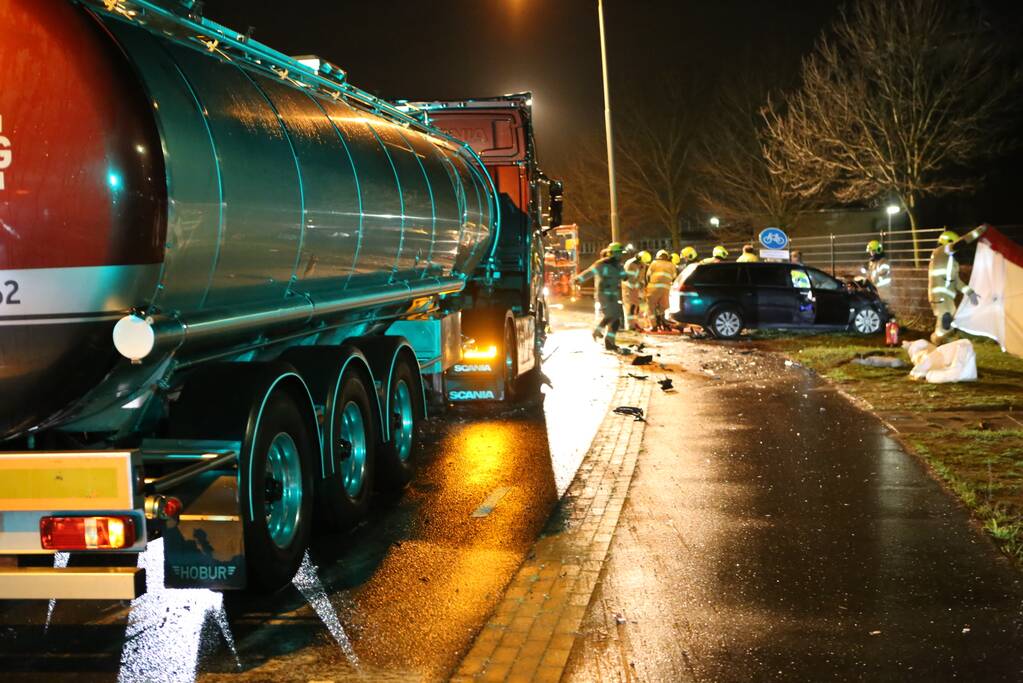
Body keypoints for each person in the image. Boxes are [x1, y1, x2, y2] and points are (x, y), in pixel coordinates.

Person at [928, 227, 985, 345]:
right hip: (939, 295)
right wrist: (980, 230)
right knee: (945, 318)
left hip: (948, 297)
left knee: (949, 322)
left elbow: (957, 282)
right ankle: (939, 342)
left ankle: (940, 341)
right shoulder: (940, 251)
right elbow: (962, 242)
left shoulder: (952, 262)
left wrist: (970, 292)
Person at [576, 242, 628, 351]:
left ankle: (609, 342)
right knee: (611, 315)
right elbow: (589, 272)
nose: (621, 255)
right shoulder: (601, 264)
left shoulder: (618, 266)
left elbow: (625, 277)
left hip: (613, 294)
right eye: (619, 253)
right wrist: (578, 280)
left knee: (616, 320)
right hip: (604, 294)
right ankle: (597, 331)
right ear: (613, 253)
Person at [646, 250, 677, 331]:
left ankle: (654, 326)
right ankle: (665, 324)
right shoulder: (672, 265)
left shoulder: (654, 263)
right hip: (666, 289)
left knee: (650, 307)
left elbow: (648, 276)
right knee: (664, 308)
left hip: (653, 289)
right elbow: (674, 277)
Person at [621, 250, 651, 330]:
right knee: (630, 307)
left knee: (636, 307)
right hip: (628, 288)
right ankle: (630, 326)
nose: (643, 264)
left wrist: (642, 286)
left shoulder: (642, 264)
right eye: (642, 262)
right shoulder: (631, 264)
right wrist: (639, 285)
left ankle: (635, 323)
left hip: (635, 288)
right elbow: (629, 280)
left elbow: (641, 277)